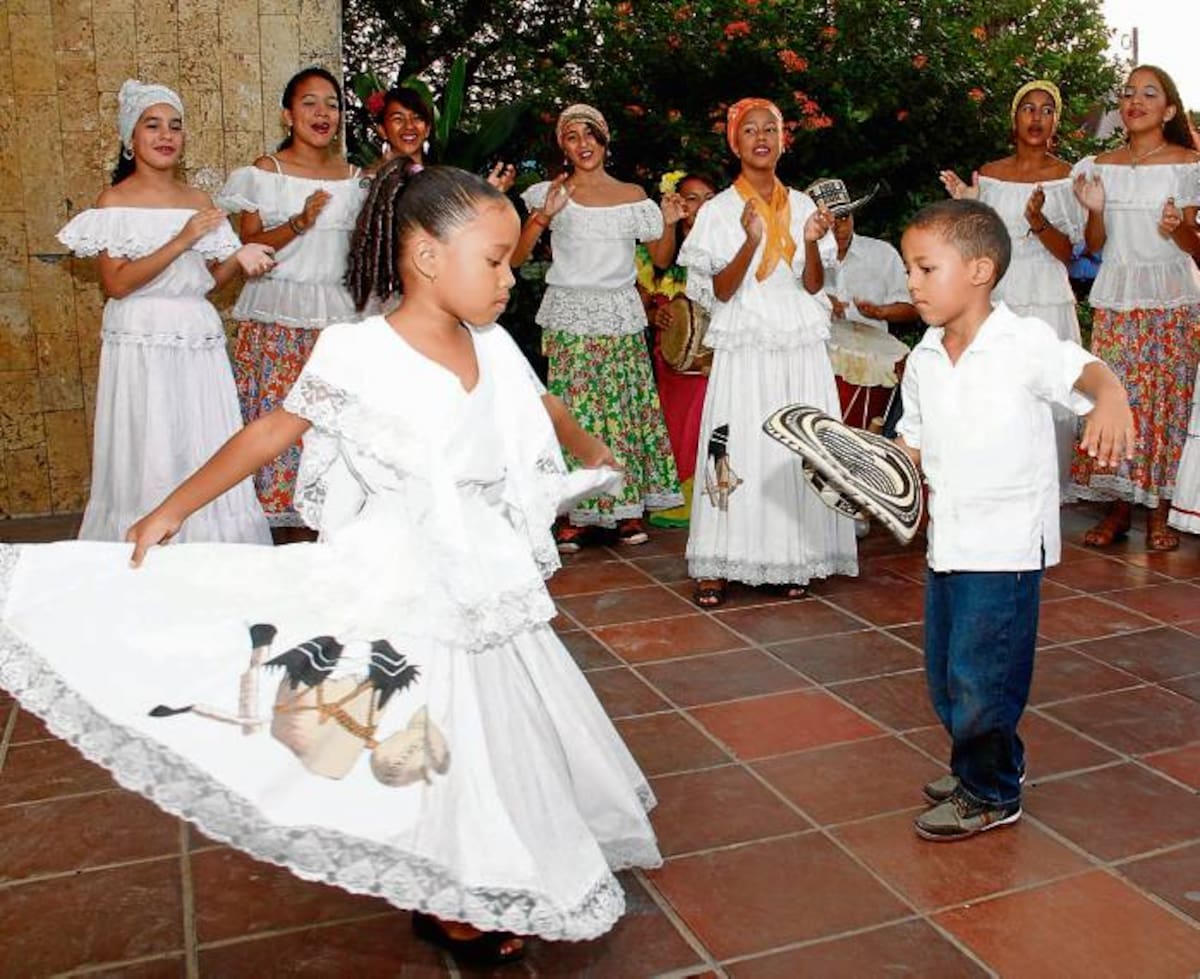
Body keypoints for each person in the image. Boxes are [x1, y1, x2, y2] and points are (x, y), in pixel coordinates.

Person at [0, 160, 660, 967]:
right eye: (493, 260)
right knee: (429, 731)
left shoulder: (496, 347)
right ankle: (453, 887)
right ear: (425, 258)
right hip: (403, 575)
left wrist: (588, 445)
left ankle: (492, 861)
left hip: (484, 574)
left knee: (495, 728)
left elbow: (544, 407)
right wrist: (174, 507)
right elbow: (272, 430)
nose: (507, 277)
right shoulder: (357, 351)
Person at [896, 199, 1133, 840]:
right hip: (950, 541)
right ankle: (993, 760)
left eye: (923, 268)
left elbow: (1081, 369)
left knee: (983, 677)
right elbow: (911, 445)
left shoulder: (1020, 341)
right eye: (908, 269)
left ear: (979, 270)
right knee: (949, 675)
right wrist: (869, 467)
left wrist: (1109, 396)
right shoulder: (922, 357)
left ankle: (991, 792)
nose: (910, 283)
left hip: (1005, 548)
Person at [57, 79, 273, 545]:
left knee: (199, 438)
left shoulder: (199, 201)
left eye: (175, 126)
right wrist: (183, 239)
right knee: (148, 442)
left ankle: (210, 543)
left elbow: (205, 283)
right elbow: (117, 283)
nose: (165, 135)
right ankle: (143, 538)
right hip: (139, 332)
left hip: (195, 332)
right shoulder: (112, 203)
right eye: (152, 125)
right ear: (129, 138)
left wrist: (240, 254)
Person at [678, 97, 858, 607]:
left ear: (784, 140)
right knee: (733, 441)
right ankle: (718, 559)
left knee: (792, 444)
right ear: (734, 142)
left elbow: (814, 284)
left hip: (797, 340)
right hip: (745, 341)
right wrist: (748, 243)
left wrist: (809, 239)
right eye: (750, 130)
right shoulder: (717, 211)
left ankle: (791, 555)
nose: (761, 138)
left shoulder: (805, 206)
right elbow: (723, 292)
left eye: (771, 129)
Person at [512, 103, 683, 550]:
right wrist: (544, 216)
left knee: (624, 411)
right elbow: (514, 257)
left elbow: (662, 258)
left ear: (605, 141)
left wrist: (668, 223)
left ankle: (625, 509)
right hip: (571, 315)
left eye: (591, 135)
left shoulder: (633, 196)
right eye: (573, 137)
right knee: (575, 412)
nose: (583, 145)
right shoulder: (549, 193)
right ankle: (575, 511)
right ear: (562, 146)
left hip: (621, 315)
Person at [218, 67, 368, 534]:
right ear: (288, 114)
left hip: (340, 322)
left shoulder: (357, 178)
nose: (322, 113)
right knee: (277, 423)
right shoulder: (265, 173)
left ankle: (339, 520)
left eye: (332, 104)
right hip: (277, 318)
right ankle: (281, 530)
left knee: (335, 426)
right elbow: (252, 244)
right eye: (309, 103)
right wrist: (300, 223)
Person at [1069, 65, 1200, 550]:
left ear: (1168, 110)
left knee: (1167, 404)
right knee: (1116, 400)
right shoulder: (1099, 165)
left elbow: (1196, 246)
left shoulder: (1189, 164)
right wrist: (1096, 209)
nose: (1135, 100)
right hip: (1117, 301)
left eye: (1149, 93)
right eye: (1128, 93)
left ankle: (1160, 514)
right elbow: (1094, 244)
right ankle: (1118, 509)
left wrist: (1175, 228)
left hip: (1173, 304)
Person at [939, 80, 1084, 491]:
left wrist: (1039, 222)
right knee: (993, 394)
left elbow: (1070, 255)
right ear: (1014, 119)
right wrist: (970, 205)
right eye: (1028, 109)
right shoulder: (991, 175)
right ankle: (994, 488)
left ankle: (1044, 495)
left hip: (1047, 297)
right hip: (999, 296)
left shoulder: (1067, 178)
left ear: (1056, 121)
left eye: (1046, 110)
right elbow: (973, 247)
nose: (1036, 117)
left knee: (1044, 396)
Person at [637, 171, 719, 528]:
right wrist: (655, 314)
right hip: (670, 359)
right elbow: (637, 300)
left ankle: (709, 494)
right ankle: (672, 496)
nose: (700, 207)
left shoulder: (728, 248)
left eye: (709, 198)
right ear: (677, 204)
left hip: (713, 359)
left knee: (706, 416)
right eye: (692, 198)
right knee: (673, 422)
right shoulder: (658, 249)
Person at [813, 179, 915, 331]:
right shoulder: (802, 259)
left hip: (873, 351)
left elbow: (912, 310)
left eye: (844, 217)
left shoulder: (882, 254)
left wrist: (880, 312)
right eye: (830, 222)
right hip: (816, 350)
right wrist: (817, 301)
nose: (840, 228)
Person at [372, 84, 516, 191]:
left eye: (417, 118)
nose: (409, 126)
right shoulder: (369, 181)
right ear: (382, 130)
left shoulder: (445, 180)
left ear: (427, 129)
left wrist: (493, 195)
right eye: (398, 119)